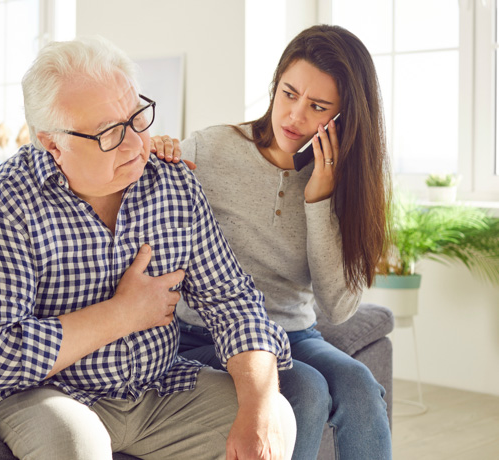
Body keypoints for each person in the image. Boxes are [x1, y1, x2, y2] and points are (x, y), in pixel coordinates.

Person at [0, 36, 297, 460]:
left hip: (158, 388)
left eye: (138, 118)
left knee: (276, 417)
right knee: (74, 444)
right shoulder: (8, 200)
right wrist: (122, 314)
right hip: (43, 393)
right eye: (109, 133)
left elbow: (233, 302)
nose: (137, 144)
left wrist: (257, 408)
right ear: (52, 144)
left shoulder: (174, 184)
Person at [152, 24, 392, 460]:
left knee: (359, 388)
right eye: (288, 93)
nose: (294, 116)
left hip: (295, 333)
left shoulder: (346, 184)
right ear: (275, 85)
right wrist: (156, 152)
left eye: (318, 106)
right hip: (207, 333)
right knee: (307, 389)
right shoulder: (212, 149)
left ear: (344, 119)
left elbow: (337, 308)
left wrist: (319, 197)